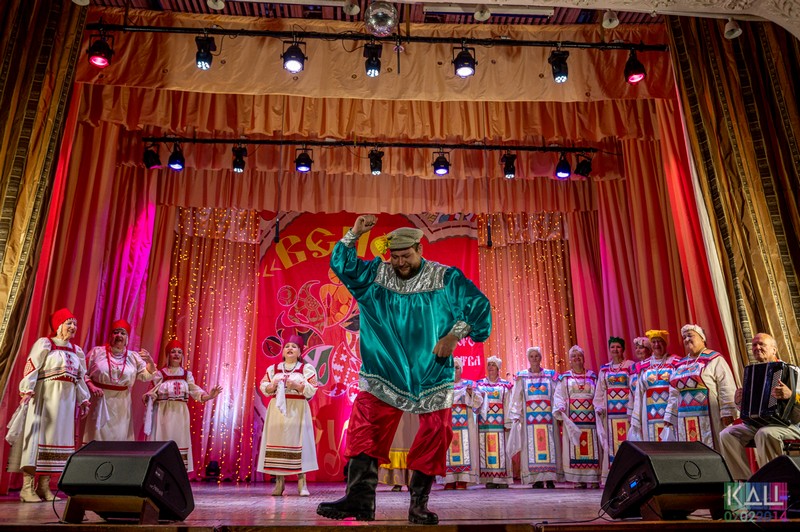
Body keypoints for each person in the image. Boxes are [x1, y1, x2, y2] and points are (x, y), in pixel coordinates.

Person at [317, 214, 492, 525]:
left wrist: (454, 335)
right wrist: (354, 233)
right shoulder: (376, 275)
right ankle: (360, 499)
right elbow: (342, 266)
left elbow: (479, 306)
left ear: (419, 249)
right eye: (395, 256)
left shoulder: (445, 278)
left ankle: (418, 505)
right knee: (364, 429)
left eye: (406, 256)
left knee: (435, 434)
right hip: (384, 368)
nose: (400, 262)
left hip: (431, 370)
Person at [6, 308, 91, 502]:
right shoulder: (46, 344)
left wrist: (83, 399)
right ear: (59, 325)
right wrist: (27, 389)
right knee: (37, 438)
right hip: (44, 398)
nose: (73, 327)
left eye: (75, 324)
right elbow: (32, 366)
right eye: (69, 323)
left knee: (56, 440)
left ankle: (43, 487)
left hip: (65, 403)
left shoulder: (76, 351)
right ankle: (27, 488)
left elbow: (80, 377)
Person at [719, 333, 800, 480]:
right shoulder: (752, 372)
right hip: (759, 424)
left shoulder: (793, 371)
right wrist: (739, 402)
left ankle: (772, 483)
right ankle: (745, 482)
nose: (757, 347)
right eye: (754, 345)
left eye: (761, 344)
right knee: (727, 434)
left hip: (791, 424)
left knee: (765, 433)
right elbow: (752, 407)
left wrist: (791, 395)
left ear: (774, 349)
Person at [143, 339, 222, 472]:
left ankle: (177, 473)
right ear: (168, 355)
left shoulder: (186, 375)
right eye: (173, 352)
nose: (176, 354)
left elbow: (195, 391)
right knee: (164, 438)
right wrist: (151, 397)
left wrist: (209, 396)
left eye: (179, 352)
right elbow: (152, 392)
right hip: (163, 413)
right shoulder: (160, 374)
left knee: (179, 440)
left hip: (180, 414)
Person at [257, 334, 318, 496]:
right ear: (283, 352)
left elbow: (312, 388)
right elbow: (263, 385)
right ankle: (279, 482)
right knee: (277, 441)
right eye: (287, 346)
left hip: (297, 409)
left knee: (299, 442)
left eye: (294, 347)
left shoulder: (305, 369)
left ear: (300, 352)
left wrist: (297, 386)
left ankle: (302, 483)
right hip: (277, 410)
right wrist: (272, 386)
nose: (290, 349)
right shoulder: (274, 369)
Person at [664, 324, 737, 450]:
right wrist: (670, 415)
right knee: (689, 449)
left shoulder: (714, 359)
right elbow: (674, 393)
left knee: (715, 447)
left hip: (710, 414)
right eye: (684, 337)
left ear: (702, 338)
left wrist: (727, 411)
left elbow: (726, 385)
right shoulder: (680, 364)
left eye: (690, 336)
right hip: (684, 417)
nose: (687, 339)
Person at [83, 319, 156, 442]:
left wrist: (150, 361)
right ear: (111, 335)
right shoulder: (97, 352)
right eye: (116, 332)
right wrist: (92, 386)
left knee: (119, 436)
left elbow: (147, 375)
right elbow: (83, 374)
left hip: (122, 403)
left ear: (127, 338)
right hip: (99, 400)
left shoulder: (133, 357)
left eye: (123, 333)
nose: (119, 336)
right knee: (96, 436)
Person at [508, 346, 560, 489]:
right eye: (531, 356)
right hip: (529, 421)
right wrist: (516, 414)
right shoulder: (522, 377)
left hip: (548, 419)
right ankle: (536, 479)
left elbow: (557, 394)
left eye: (537, 356)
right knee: (531, 448)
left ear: (541, 358)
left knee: (550, 447)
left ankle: (550, 478)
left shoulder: (550, 375)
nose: (534, 359)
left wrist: (558, 410)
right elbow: (517, 397)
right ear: (528, 359)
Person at [553, 345, 600, 489]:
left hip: (590, 418)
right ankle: (578, 479)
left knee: (592, 446)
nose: (576, 358)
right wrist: (560, 406)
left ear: (584, 358)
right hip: (572, 419)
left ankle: (593, 478)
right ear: (570, 360)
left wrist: (599, 407)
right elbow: (559, 394)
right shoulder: (565, 377)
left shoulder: (592, 376)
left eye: (579, 355)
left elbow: (598, 393)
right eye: (573, 356)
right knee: (575, 446)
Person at [593, 337, 633, 482]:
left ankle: (628, 473)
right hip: (610, 414)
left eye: (618, 347)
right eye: (612, 347)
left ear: (623, 349)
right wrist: (599, 406)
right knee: (611, 443)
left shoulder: (630, 366)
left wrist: (633, 409)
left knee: (628, 441)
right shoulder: (604, 369)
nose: (615, 350)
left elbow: (634, 387)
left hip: (626, 413)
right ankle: (612, 476)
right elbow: (600, 389)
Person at [439, 357, 483, 489]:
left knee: (466, 448)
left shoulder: (469, 384)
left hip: (466, 424)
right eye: (452, 368)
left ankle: (464, 479)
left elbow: (478, 402)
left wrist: (470, 394)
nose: (454, 370)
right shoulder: (443, 385)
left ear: (461, 370)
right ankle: (449, 479)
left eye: (457, 368)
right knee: (447, 449)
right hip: (448, 423)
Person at [630, 330, 681, 442]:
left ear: (665, 344)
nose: (657, 345)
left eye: (660, 341)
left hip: (671, 413)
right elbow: (639, 393)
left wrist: (671, 413)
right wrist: (636, 418)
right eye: (654, 342)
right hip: (649, 414)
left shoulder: (676, 362)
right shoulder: (644, 366)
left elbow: (677, 390)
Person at [475, 356, 514, 488]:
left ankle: (502, 479)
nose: (491, 367)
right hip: (484, 424)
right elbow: (476, 403)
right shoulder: (480, 385)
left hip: (500, 424)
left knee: (502, 450)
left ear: (498, 368)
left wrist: (508, 422)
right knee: (486, 450)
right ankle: (489, 479)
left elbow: (508, 403)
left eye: (493, 365)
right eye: (489, 365)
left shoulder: (504, 385)